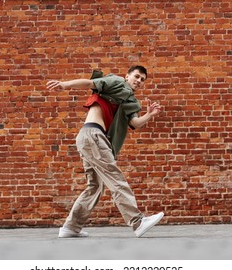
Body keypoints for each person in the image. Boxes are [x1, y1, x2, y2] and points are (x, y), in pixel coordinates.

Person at [46, 65, 164, 238]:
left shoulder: (130, 101)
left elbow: (135, 123)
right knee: (115, 178)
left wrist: (150, 114)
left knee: (94, 187)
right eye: (136, 76)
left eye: (142, 80)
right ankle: (137, 221)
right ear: (127, 76)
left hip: (90, 138)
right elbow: (89, 83)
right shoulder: (116, 82)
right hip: (93, 135)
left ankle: (71, 227)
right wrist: (65, 85)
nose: (138, 81)